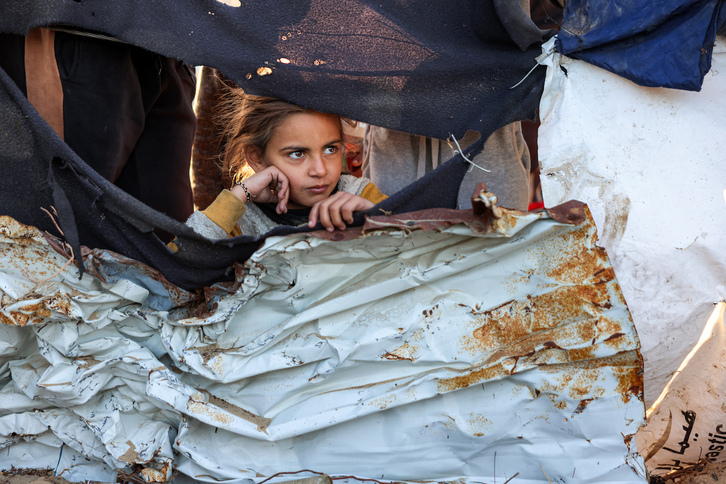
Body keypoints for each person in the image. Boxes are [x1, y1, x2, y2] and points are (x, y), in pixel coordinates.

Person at [182, 92, 387, 241]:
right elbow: (180, 262)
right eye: (297, 154)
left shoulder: (361, 195)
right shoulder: (240, 220)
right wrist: (239, 194)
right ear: (256, 158)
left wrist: (376, 217)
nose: (320, 170)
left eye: (330, 149)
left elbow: (416, 246)